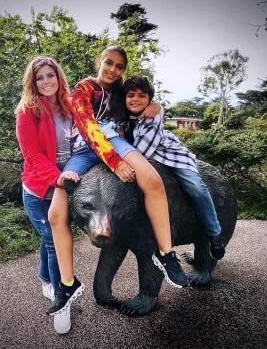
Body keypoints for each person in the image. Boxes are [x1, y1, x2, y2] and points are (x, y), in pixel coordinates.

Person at [47, 46, 189, 317]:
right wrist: (114, 162)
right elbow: (88, 126)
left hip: (116, 142)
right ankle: (67, 283)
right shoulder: (84, 89)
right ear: (99, 62)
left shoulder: (120, 91)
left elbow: (140, 103)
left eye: (119, 66)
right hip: (87, 146)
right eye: (109, 63)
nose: (113, 69)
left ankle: (166, 254)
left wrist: (157, 107)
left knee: (152, 180)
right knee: (56, 212)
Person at [123, 75, 226, 260]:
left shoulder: (151, 116)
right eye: (131, 95)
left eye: (141, 96)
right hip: (146, 161)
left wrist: (158, 107)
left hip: (171, 156)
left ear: (149, 100)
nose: (135, 99)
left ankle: (214, 233)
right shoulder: (124, 116)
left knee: (196, 188)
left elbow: (142, 150)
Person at [15, 56, 80, 334]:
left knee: (49, 238)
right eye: (39, 78)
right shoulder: (27, 112)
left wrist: (153, 105)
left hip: (63, 186)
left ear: (58, 77)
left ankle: (45, 279)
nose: (45, 82)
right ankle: (61, 300)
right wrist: (58, 178)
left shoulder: (70, 106)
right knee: (53, 241)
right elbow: (32, 155)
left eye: (49, 75)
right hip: (40, 190)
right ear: (33, 82)